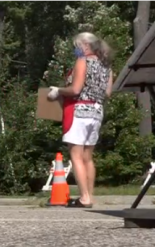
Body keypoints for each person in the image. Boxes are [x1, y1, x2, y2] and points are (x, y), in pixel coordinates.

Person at [47, 32, 113, 208]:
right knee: (88, 157)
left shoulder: (83, 61)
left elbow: (75, 89)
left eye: (77, 46)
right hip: (97, 111)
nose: (76, 50)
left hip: (79, 111)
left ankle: (84, 198)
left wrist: (59, 90)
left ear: (85, 45)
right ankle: (90, 195)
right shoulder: (106, 66)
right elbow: (107, 93)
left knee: (76, 156)